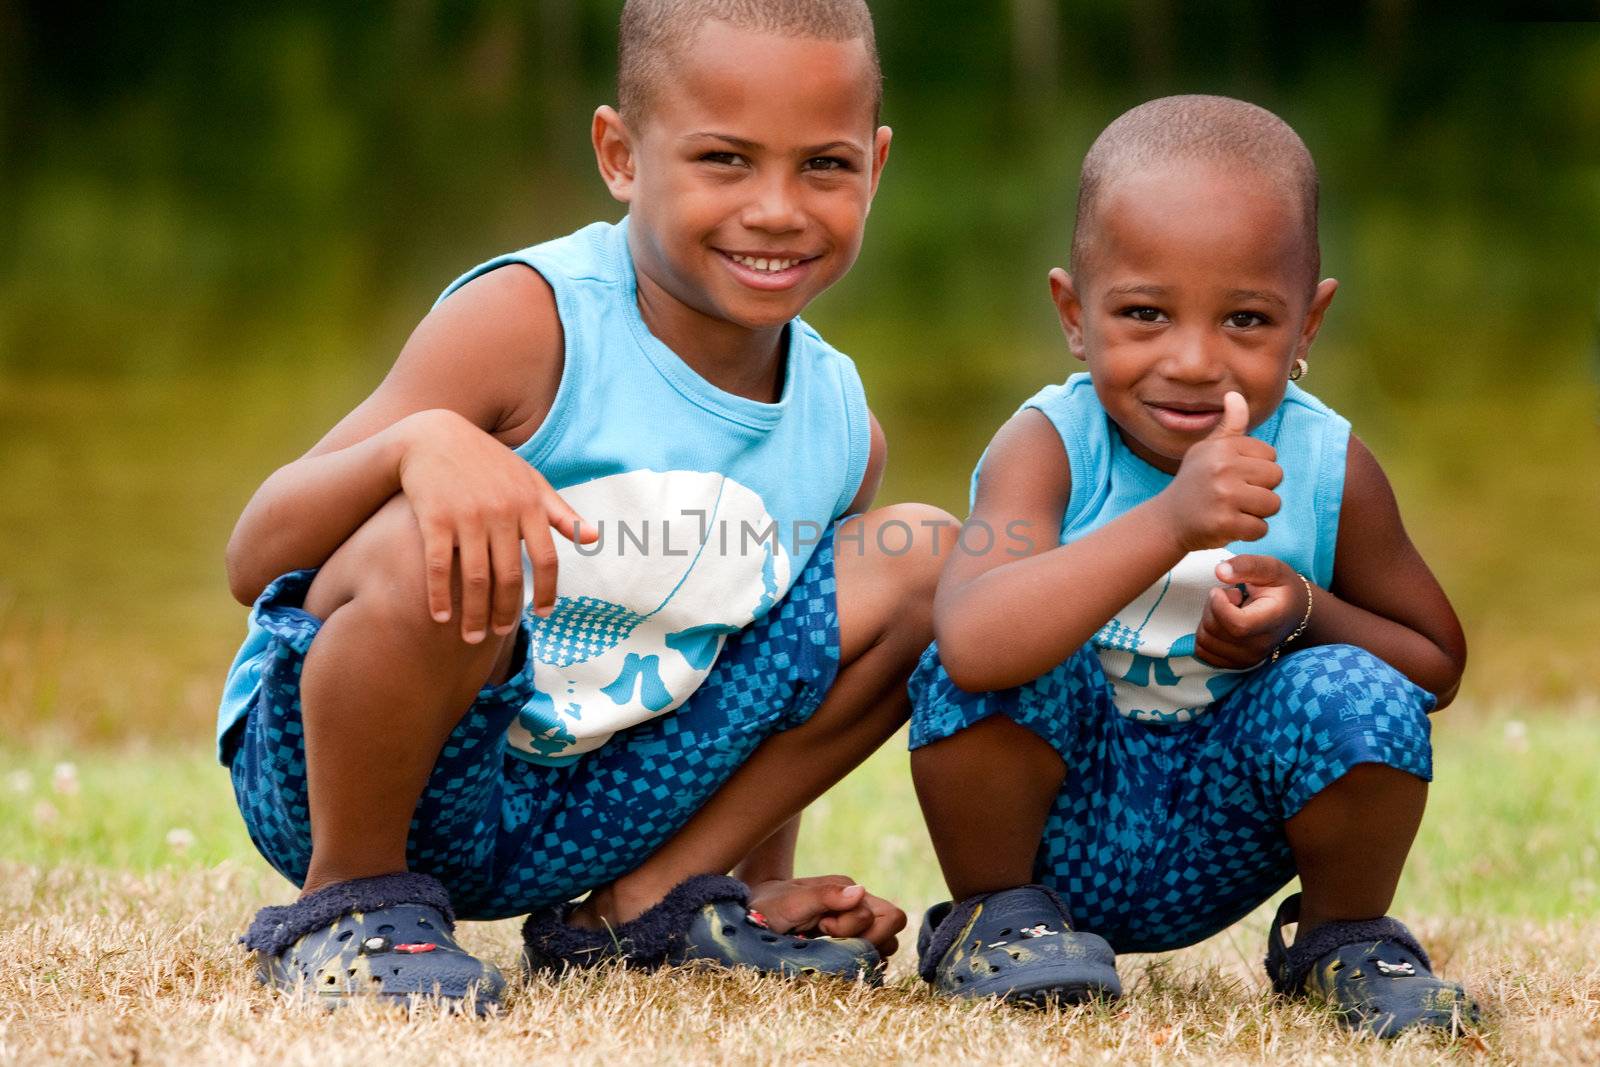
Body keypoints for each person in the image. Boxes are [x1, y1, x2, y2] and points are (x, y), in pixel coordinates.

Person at [219, 0, 954, 1011]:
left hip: (604, 803)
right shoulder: (527, 322)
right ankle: (349, 899)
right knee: (438, 520)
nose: (778, 208)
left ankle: (653, 909)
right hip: (352, 769)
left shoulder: (835, 422)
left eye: (822, 165)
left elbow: (776, 662)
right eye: (725, 160)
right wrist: (418, 446)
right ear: (620, 153)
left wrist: (742, 882)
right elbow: (256, 557)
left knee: (929, 554)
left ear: (874, 164)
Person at [907, 95, 1477, 1037]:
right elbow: (967, 644)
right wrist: (1172, 521)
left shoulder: (1330, 465)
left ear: (1308, 326)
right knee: (1018, 631)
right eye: (1143, 312)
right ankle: (993, 924)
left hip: (1229, 818)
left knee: (1353, 688)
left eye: (1247, 319)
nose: (1193, 359)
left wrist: (1304, 612)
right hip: (1061, 819)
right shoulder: (1050, 444)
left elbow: (1433, 665)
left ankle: (1341, 940)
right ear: (1073, 314)